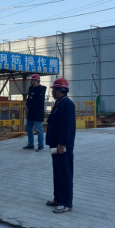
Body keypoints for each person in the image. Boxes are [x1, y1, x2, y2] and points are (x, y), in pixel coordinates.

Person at [45, 78, 76, 214]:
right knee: (57, 172)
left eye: (53, 90)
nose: (52, 92)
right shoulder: (59, 103)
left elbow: (66, 125)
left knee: (64, 174)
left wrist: (63, 143)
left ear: (59, 90)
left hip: (62, 146)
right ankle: (57, 198)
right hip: (55, 145)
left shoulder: (67, 104)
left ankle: (66, 203)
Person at [23, 74, 47, 152]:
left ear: (36, 81)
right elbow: (29, 99)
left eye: (32, 80)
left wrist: (29, 107)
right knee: (28, 128)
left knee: (38, 129)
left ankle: (41, 145)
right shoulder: (31, 88)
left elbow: (38, 102)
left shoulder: (41, 89)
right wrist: (27, 106)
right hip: (30, 113)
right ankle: (31, 144)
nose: (31, 82)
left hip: (37, 113)